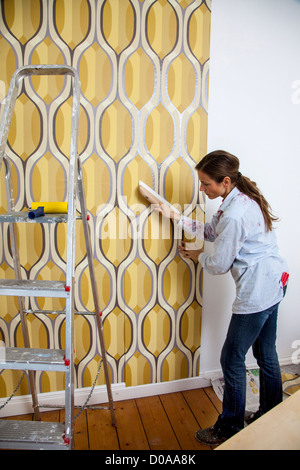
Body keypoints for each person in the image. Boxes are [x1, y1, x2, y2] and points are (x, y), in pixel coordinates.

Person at [155, 150, 289, 445]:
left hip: (258, 291)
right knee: (266, 353)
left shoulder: (235, 213)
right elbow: (211, 232)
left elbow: (219, 264)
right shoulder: (240, 198)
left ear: (225, 181)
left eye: (206, 184)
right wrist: (176, 217)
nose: (202, 189)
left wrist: (198, 257)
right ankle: (271, 412)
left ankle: (229, 427)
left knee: (231, 358)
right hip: (275, 282)